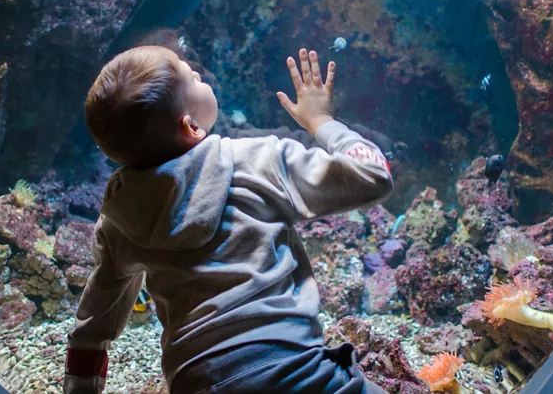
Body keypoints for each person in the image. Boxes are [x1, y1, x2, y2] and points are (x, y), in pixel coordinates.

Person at [65, 46, 394, 394]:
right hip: (290, 370)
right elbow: (373, 175)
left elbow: (92, 326)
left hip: (195, 383)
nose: (198, 72)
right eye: (190, 76)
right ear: (191, 126)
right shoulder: (257, 161)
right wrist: (321, 122)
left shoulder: (119, 218)